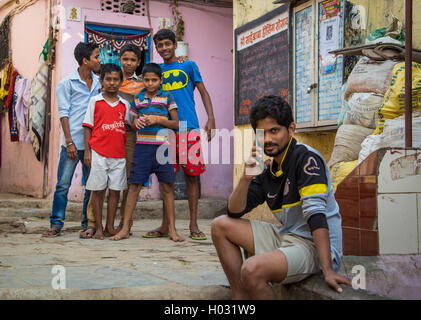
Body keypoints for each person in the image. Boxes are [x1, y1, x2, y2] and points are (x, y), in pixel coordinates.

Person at [211, 95, 351, 299]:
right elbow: (233, 211)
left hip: (313, 246)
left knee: (251, 269)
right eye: (262, 133)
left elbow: (316, 215)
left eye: (274, 131)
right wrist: (245, 178)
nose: (267, 139)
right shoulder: (269, 169)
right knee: (220, 225)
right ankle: (240, 299)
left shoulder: (306, 158)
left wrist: (328, 269)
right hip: (287, 236)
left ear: (291, 129)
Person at [146, 28, 216, 241]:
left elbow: (203, 92)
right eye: (160, 45)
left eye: (168, 44)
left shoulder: (188, 65)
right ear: (156, 48)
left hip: (189, 128)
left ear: (175, 45)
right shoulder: (155, 72)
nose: (164, 48)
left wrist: (211, 118)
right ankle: (166, 225)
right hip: (164, 131)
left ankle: (194, 225)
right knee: (166, 179)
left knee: (192, 177)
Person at [110, 63, 184, 242]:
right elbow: (133, 125)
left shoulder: (168, 97)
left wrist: (159, 119)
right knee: (134, 186)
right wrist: (139, 123)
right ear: (142, 80)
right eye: (147, 80)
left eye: (154, 80)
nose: (150, 83)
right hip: (142, 148)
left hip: (163, 148)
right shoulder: (137, 98)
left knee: (167, 188)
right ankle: (125, 229)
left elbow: (177, 124)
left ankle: (172, 229)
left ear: (161, 80)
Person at [81, 43, 145, 239]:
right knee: (98, 186)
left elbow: (133, 117)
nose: (128, 63)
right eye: (125, 58)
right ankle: (94, 224)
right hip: (102, 140)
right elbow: (90, 122)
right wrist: (88, 149)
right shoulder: (101, 92)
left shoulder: (142, 83)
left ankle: (122, 224)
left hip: (126, 138)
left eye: (133, 59)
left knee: (124, 181)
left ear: (138, 62)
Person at [43, 42, 101, 237]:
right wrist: (69, 142)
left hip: (92, 144)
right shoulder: (66, 83)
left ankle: (87, 223)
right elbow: (64, 114)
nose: (99, 60)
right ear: (85, 60)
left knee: (90, 186)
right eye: (96, 57)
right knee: (63, 185)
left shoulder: (100, 83)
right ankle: (56, 223)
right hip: (72, 142)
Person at [82, 63, 130, 240]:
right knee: (99, 190)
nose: (111, 83)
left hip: (119, 155)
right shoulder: (95, 101)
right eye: (108, 79)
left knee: (115, 191)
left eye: (115, 79)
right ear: (101, 80)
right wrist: (87, 151)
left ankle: (110, 226)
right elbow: (87, 127)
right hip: (99, 153)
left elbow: (129, 125)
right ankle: (99, 228)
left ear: (120, 81)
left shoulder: (124, 104)